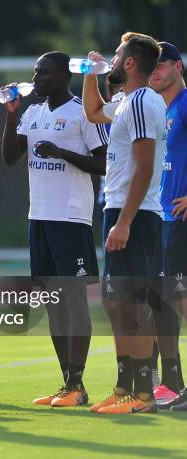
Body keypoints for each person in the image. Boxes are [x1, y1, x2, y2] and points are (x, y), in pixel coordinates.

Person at [1, 52, 108, 408]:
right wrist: (11, 114)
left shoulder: (83, 112)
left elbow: (103, 163)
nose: (37, 78)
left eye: (43, 73)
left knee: (73, 301)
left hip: (72, 218)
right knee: (53, 303)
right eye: (35, 72)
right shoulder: (31, 113)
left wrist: (62, 153)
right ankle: (68, 385)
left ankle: (76, 383)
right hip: (40, 218)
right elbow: (10, 156)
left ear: (64, 75)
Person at [82, 32, 166, 414]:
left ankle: (143, 393)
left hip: (135, 214)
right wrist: (89, 73)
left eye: (117, 55)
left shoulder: (143, 102)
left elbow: (145, 166)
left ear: (130, 62)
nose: (113, 60)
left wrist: (126, 222)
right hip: (118, 210)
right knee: (118, 303)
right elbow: (93, 112)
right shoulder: (128, 101)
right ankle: (124, 385)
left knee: (131, 304)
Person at [149, 41, 187, 410]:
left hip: (180, 220)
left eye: (161, 65)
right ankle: (172, 382)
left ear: (177, 66)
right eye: (151, 67)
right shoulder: (161, 109)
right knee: (166, 300)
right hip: (164, 219)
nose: (154, 71)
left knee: (180, 299)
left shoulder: (186, 103)